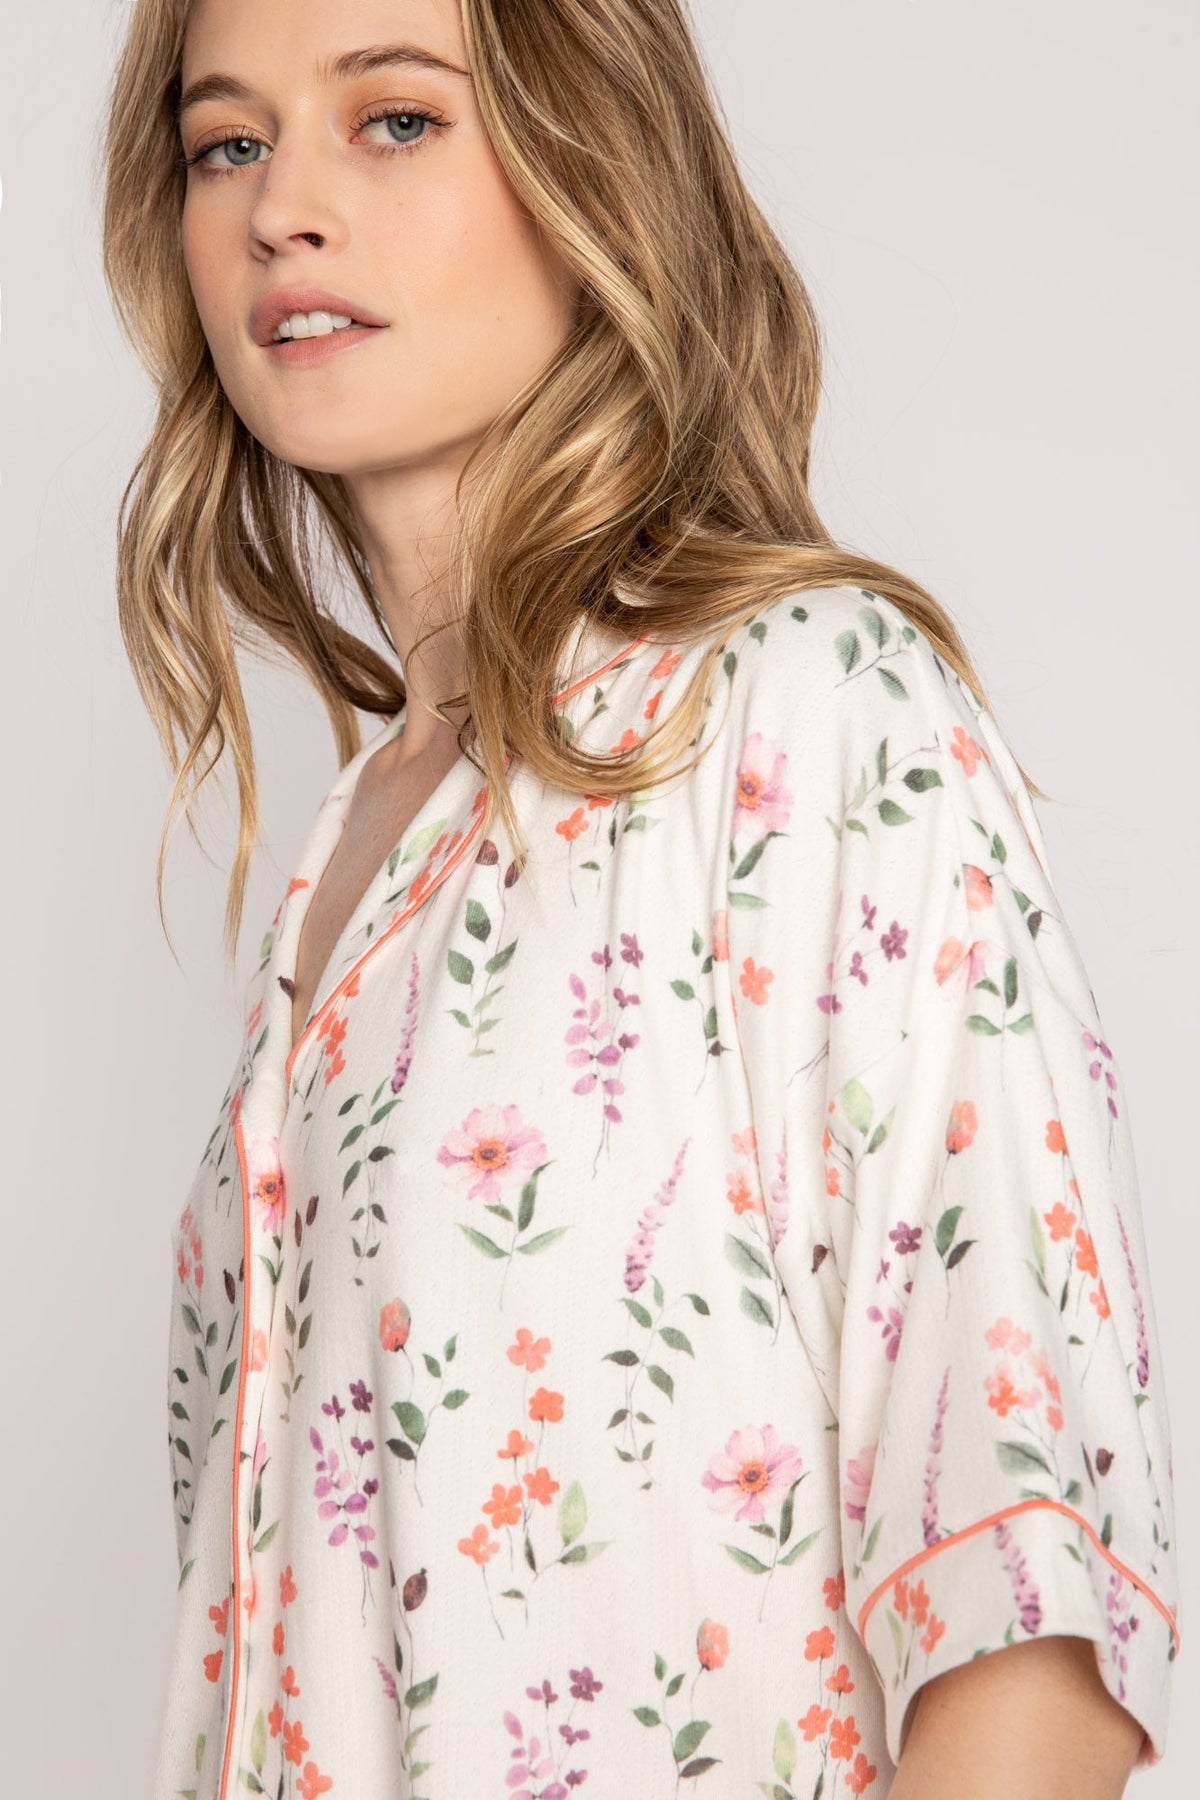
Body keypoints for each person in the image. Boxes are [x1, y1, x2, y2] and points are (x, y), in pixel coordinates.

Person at [99, 0, 1180, 1795]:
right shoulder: (349, 857)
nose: (283, 206)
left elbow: (1019, 1619)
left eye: (395, 119)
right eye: (229, 143)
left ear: (588, 158)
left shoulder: (812, 707)